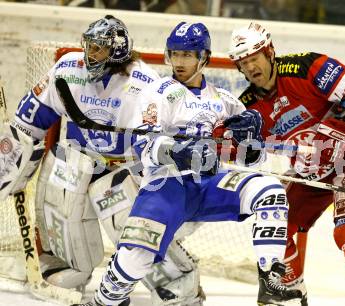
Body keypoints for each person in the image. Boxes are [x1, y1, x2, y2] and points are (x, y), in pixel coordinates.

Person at [71, 21, 303, 306]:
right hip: (167, 185)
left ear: (203, 57)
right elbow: (145, 146)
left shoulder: (225, 100)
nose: (179, 62)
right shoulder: (157, 93)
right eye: (175, 54)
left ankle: (270, 281)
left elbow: (253, 158)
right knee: (134, 258)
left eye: (187, 55)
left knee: (270, 191)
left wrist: (252, 145)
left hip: (209, 185)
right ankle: (105, 301)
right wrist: (181, 151)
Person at [0, 15, 208, 305]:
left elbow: (163, 133)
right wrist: (13, 159)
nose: (91, 54)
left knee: (132, 220)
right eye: (90, 46)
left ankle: (176, 281)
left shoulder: (143, 82)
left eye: (100, 48)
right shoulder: (68, 69)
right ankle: (68, 267)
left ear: (118, 51)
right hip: (78, 162)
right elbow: (29, 121)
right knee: (63, 182)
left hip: (123, 168)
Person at [227, 22, 345, 306]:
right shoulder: (248, 106)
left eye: (254, 58)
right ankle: (293, 297)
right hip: (311, 173)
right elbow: (233, 147)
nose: (250, 67)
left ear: (270, 52)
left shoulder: (305, 66)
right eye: (243, 63)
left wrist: (336, 131)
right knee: (275, 227)